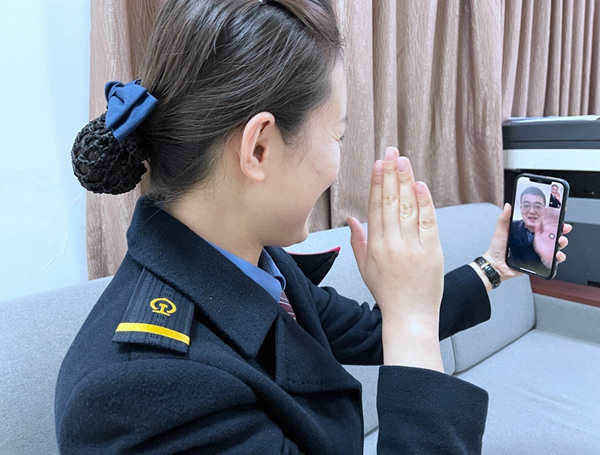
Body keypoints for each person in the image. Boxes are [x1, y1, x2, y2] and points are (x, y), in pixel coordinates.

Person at [56, 1, 571, 453]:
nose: (336, 165)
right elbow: (398, 328)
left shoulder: (251, 261)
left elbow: (370, 331)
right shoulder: (145, 391)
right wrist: (413, 324)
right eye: (337, 136)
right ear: (259, 148)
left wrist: (493, 267)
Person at [508, 186, 557, 275]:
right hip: (513, 273)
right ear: (521, 208)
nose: (532, 211)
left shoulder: (551, 233)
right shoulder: (511, 227)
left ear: (544, 210)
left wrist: (549, 261)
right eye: (526, 205)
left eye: (537, 206)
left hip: (540, 277)